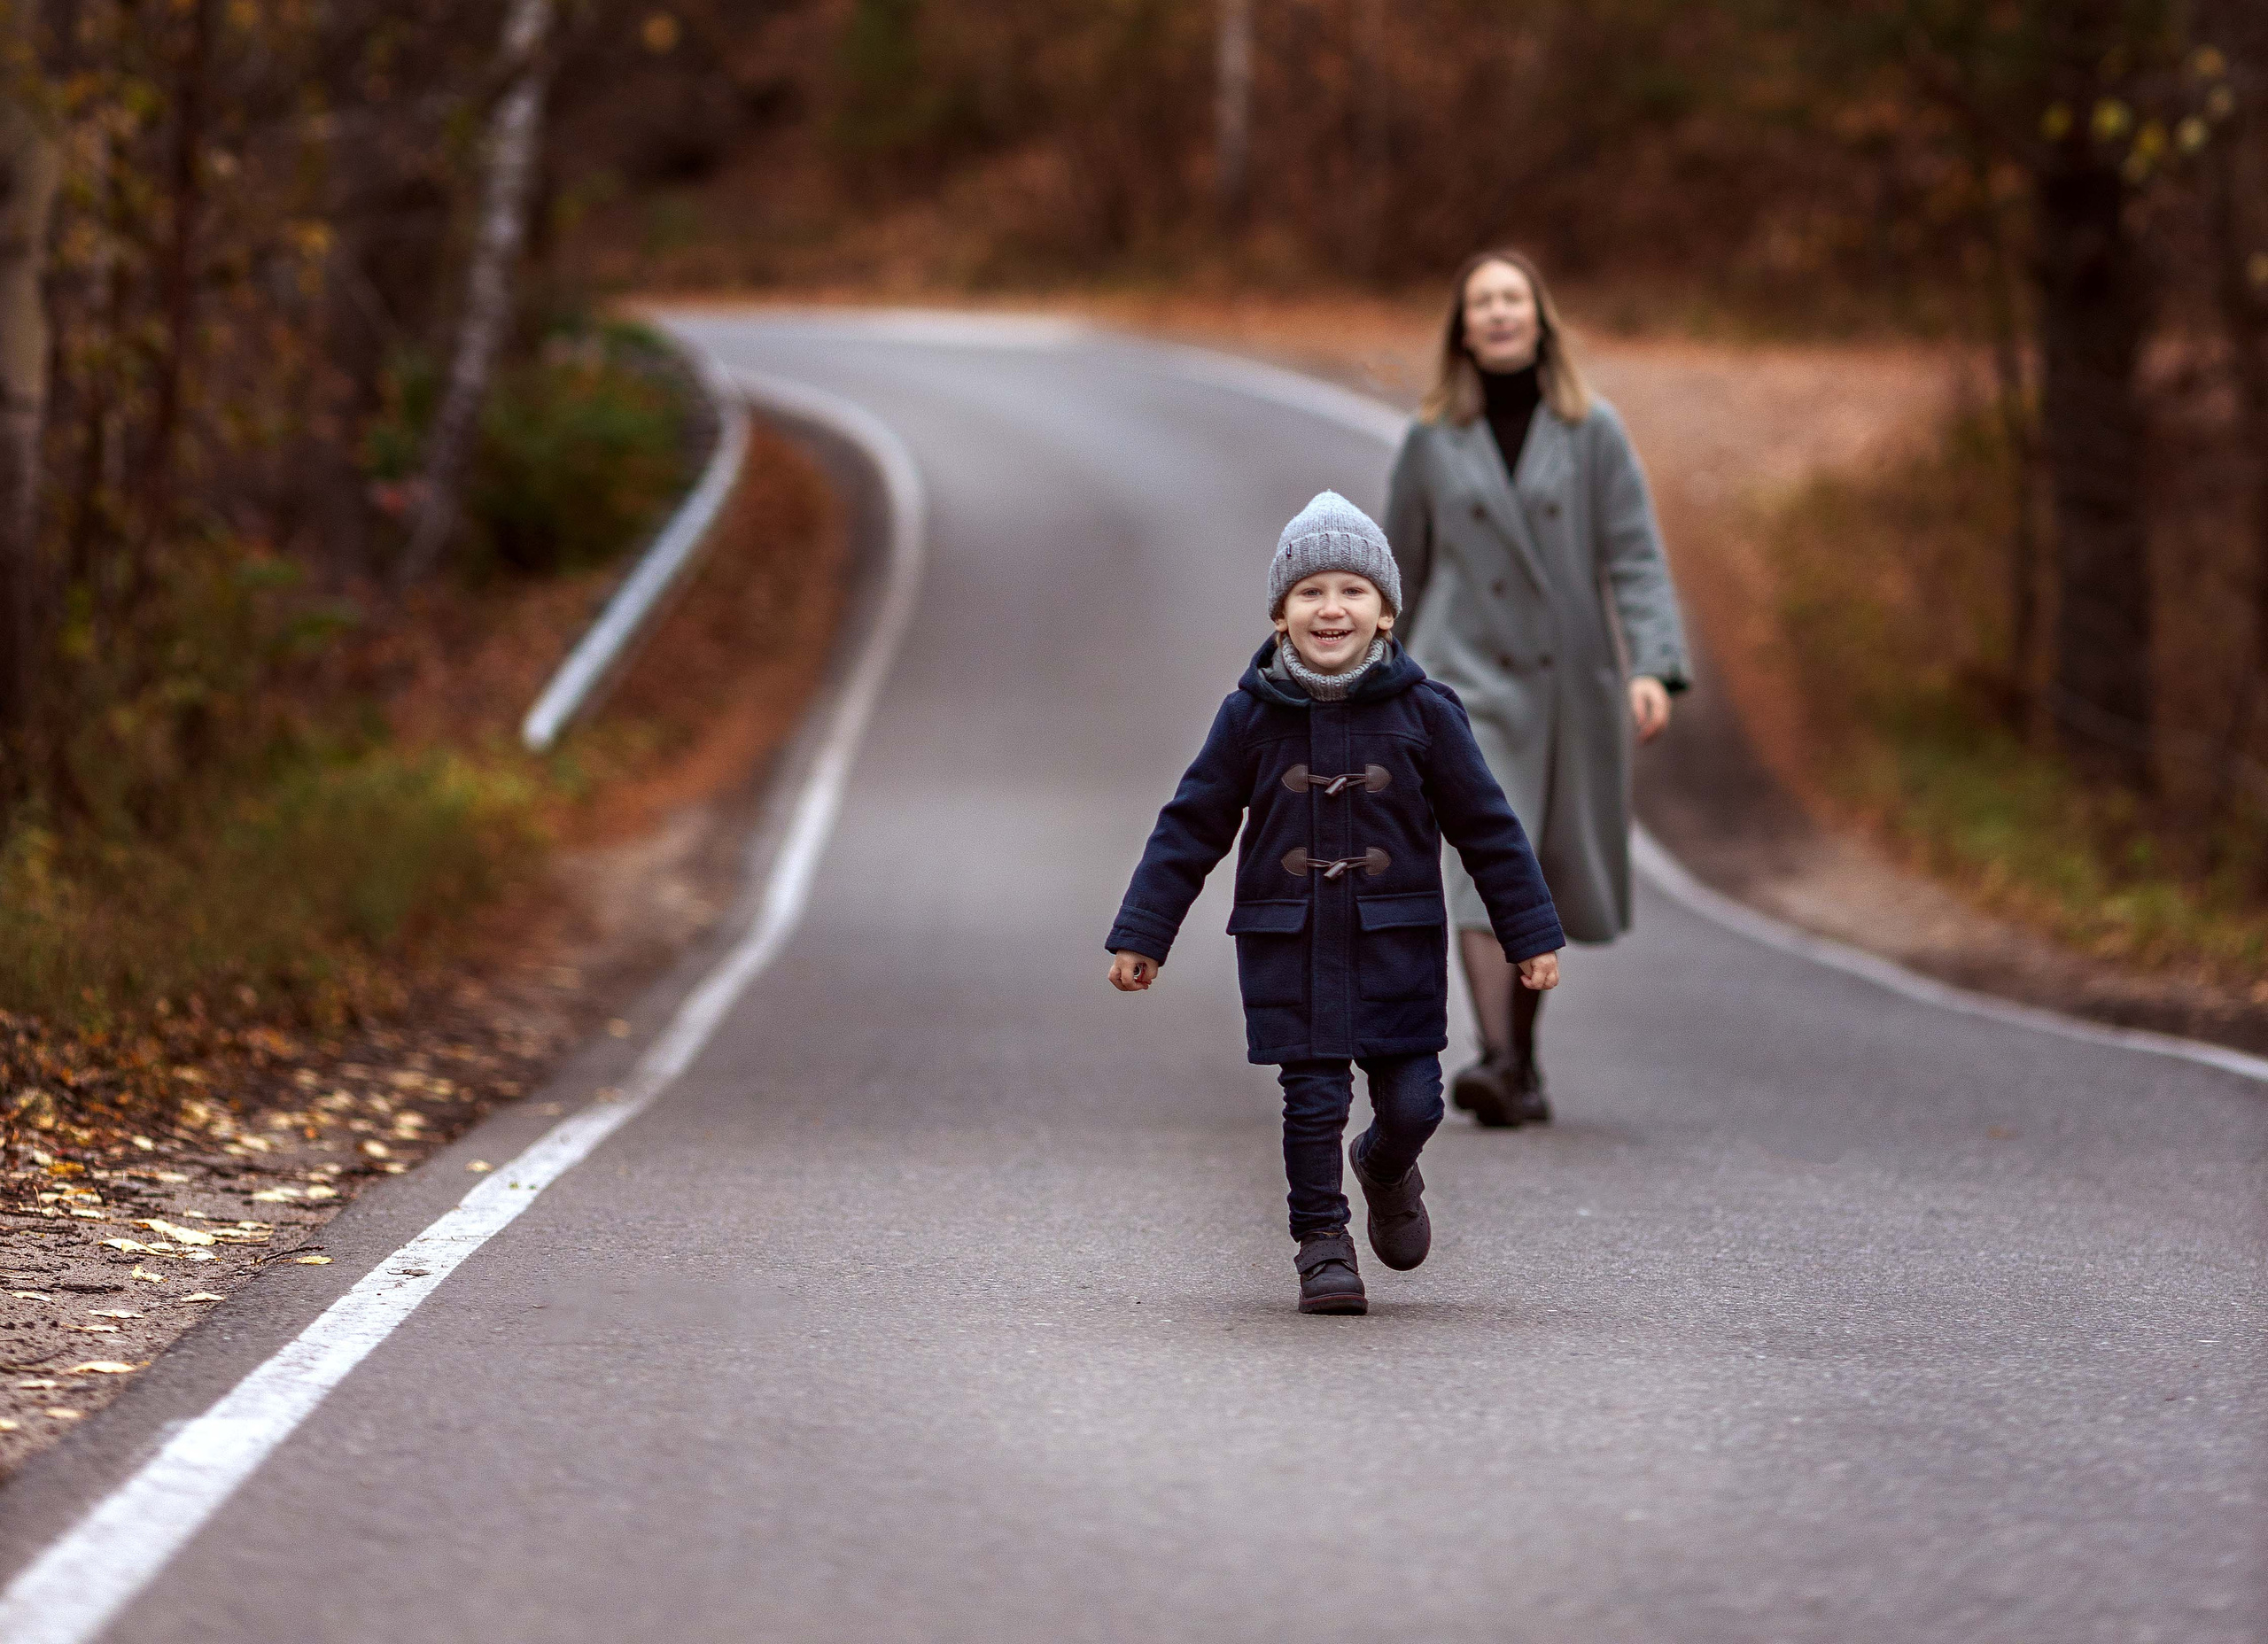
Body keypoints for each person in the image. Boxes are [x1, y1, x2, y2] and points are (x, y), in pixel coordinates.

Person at [1105, 492, 1565, 1315]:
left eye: (1353, 590)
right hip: (1290, 945)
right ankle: (1321, 1244)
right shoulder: (1249, 717)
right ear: (1280, 615)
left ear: (1385, 612)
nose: (1331, 608)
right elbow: (1191, 825)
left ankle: (1385, 1165)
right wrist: (1145, 932)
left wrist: (1527, 934)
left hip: (1396, 947)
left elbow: (1488, 830)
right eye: (1309, 592)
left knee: (1415, 1104)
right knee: (1312, 1103)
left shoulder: (1426, 715)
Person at [1384, 250, 1690, 1129]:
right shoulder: (1431, 436)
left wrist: (1653, 664)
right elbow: (1399, 567)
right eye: (1481, 301)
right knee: (1482, 857)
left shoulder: (1592, 429)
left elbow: (1633, 556)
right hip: (1462, 678)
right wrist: (1370, 675)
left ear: (1539, 317)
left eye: (1511, 297)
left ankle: (1517, 1059)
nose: (1497, 312)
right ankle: (1498, 1056)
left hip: (1565, 686)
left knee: (1537, 871)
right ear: (1462, 328)